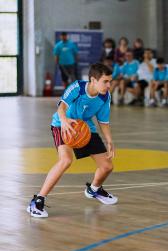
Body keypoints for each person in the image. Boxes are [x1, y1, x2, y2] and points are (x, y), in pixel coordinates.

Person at [27, 63, 118, 218]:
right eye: (105, 81)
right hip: (62, 125)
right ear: (93, 80)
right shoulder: (77, 87)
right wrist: (64, 121)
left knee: (107, 166)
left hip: (84, 128)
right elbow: (61, 107)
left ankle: (94, 190)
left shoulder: (105, 97)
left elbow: (103, 121)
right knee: (66, 160)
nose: (109, 85)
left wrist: (109, 140)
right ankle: (38, 200)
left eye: (110, 81)